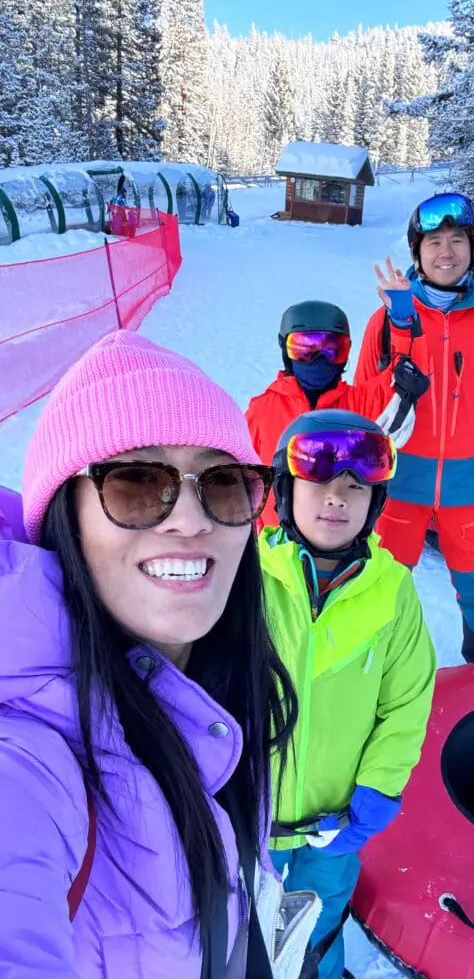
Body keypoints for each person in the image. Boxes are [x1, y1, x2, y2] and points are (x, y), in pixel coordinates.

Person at [0, 330, 321, 978]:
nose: (191, 520)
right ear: (66, 518)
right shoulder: (27, 768)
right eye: (137, 484)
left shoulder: (217, 697)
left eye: (224, 483)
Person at [260, 408, 437, 979]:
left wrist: (380, 786)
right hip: (248, 813)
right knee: (242, 920)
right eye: (318, 481)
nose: (337, 498)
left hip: (334, 819)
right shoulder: (244, 575)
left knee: (321, 916)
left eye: (356, 487)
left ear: (375, 501)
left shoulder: (391, 591)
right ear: (286, 490)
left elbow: (406, 699)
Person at [355, 192, 474, 664]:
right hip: (399, 481)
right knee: (382, 584)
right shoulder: (387, 318)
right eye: (434, 242)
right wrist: (400, 327)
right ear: (417, 253)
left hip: (466, 484)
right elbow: (364, 401)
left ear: (473, 248)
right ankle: (373, 674)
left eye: (457, 240)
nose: (446, 252)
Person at [246, 300, 429, 526]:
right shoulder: (262, 411)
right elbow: (245, 480)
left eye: (333, 349)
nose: (319, 359)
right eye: (304, 348)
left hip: (341, 538)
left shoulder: (360, 405)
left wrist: (403, 324)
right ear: (285, 350)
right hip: (277, 541)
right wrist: (254, 535)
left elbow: (408, 371)